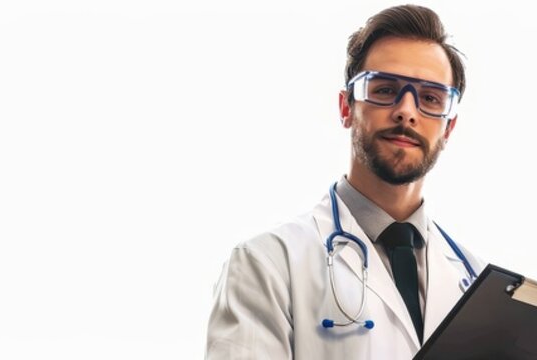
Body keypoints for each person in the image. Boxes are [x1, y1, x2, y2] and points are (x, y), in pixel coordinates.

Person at [205, 5, 484, 358]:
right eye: (385, 90)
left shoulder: (474, 280)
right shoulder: (268, 263)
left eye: (430, 98)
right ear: (346, 108)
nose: (407, 111)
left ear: (449, 128)